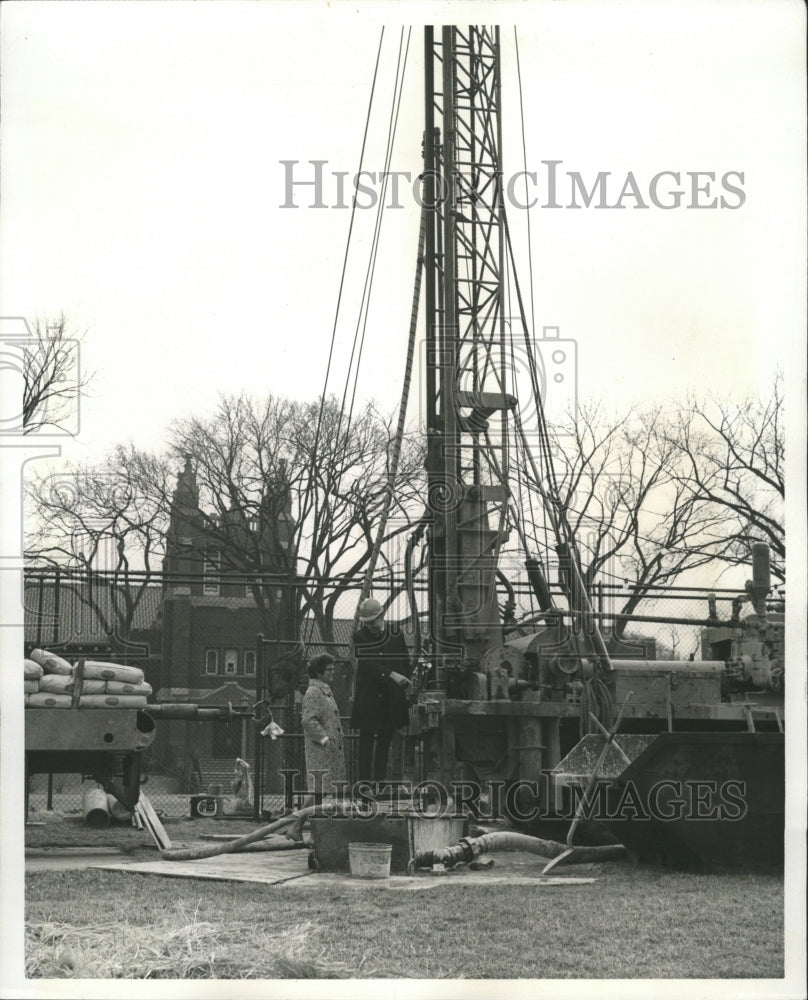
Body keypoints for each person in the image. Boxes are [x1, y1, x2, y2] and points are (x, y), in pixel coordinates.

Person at [349, 597, 411, 789]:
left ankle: (380, 781)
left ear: (382, 616)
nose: (371, 627)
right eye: (367, 623)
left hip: (391, 698)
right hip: (370, 699)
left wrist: (406, 681)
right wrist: (392, 674)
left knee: (385, 739)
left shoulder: (396, 633)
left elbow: (404, 659)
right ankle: (364, 783)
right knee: (366, 741)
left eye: (374, 622)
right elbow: (367, 664)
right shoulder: (359, 637)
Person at [301, 653, 347, 803]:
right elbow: (308, 720)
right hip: (321, 751)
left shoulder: (324, 690)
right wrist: (324, 739)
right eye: (329, 669)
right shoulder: (314, 692)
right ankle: (299, 823)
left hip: (329, 751)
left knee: (323, 791)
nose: (333, 672)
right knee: (318, 791)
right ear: (318, 672)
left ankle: (303, 824)